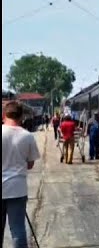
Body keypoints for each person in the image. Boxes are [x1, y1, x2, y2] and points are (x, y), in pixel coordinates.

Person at [3, 101, 41, 248]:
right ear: (22, 116)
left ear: (4, 115)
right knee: (18, 230)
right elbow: (30, 164)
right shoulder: (28, 136)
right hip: (17, 189)